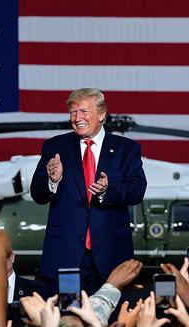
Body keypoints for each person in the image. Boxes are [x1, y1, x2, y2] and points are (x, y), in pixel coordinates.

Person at [30, 88, 147, 294]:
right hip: (64, 256)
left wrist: (107, 191)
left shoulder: (126, 149)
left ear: (102, 114)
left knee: (107, 322)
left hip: (110, 257)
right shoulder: (55, 146)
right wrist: (52, 181)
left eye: (84, 112)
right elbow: (37, 195)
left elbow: (136, 191)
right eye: (73, 113)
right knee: (66, 320)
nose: (77, 118)